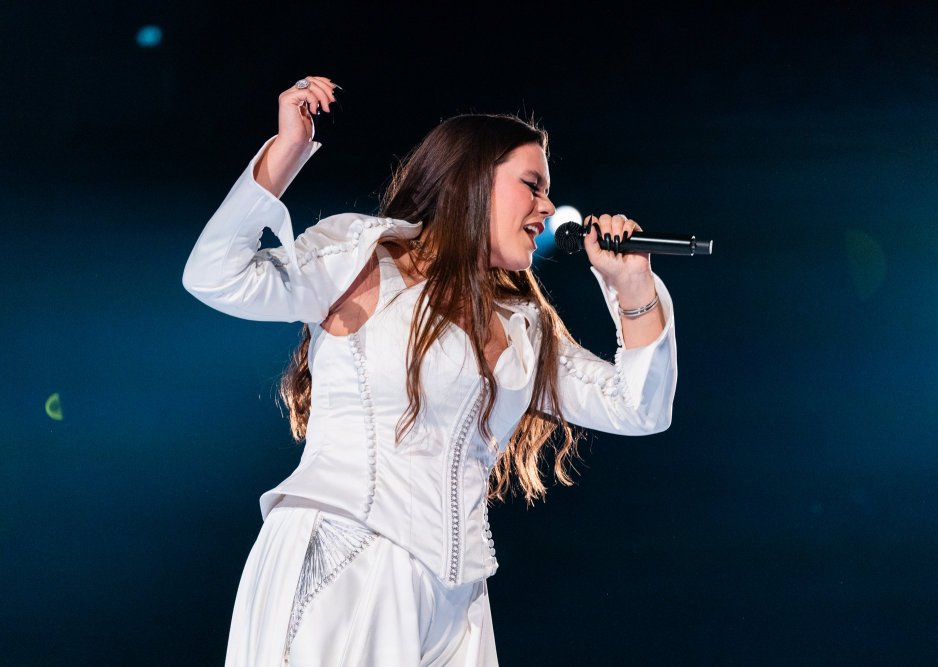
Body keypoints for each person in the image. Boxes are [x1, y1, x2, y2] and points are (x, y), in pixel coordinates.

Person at [182, 74, 677, 666]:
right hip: (347, 554)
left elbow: (640, 407)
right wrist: (286, 150)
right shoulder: (364, 257)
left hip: (457, 598)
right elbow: (213, 275)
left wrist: (632, 285)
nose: (547, 207)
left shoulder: (523, 324)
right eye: (532, 186)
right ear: (473, 184)